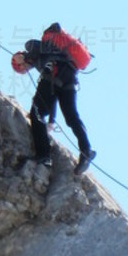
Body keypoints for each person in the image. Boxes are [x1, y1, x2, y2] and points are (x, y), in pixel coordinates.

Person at [12, 23, 96, 174]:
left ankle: (44, 155)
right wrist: (51, 121)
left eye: (22, 68)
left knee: (36, 112)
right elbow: (52, 100)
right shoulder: (52, 55)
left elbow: (36, 50)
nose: (25, 70)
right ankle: (86, 150)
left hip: (52, 79)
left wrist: (24, 56)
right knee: (71, 117)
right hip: (68, 79)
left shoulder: (33, 48)